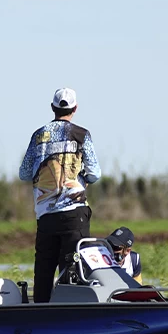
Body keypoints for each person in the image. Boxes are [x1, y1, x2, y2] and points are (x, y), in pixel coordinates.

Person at [19, 87, 102, 303]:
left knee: (44, 272)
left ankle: (40, 317)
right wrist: (81, 175)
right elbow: (95, 173)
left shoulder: (38, 135)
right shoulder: (81, 134)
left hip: (45, 215)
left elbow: (24, 173)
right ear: (75, 109)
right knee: (72, 271)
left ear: (52, 108)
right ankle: (68, 320)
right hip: (74, 214)